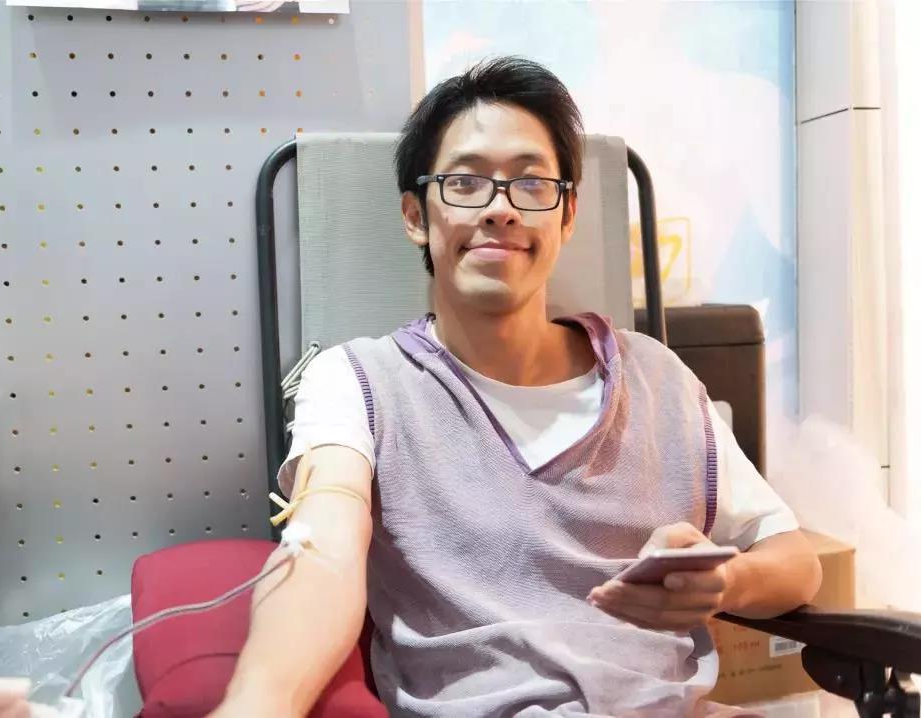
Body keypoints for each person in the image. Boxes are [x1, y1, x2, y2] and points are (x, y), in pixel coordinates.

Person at [210, 56, 821, 717]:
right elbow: (320, 555)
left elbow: (795, 561)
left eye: (531, 184)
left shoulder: (656, 377)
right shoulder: (358, 382)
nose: (500, 209)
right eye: (465, 183)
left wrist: (725, 581)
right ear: (416, 215)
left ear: (566, 215)